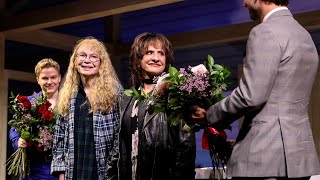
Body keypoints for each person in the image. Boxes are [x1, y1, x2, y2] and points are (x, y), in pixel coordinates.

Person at [189, 0, 320, 179]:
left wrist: (209, 115)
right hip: (299, 158)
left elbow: (251, 95)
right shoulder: (304, 35)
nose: (244, 4)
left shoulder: (264, 31)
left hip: (263, 157)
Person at [106, 32, 196, 180]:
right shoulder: (127, 99)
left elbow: (185, 148)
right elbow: (117, 149)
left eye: (161, 53)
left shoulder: (175, 94)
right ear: (138, 59)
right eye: (149, 52)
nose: (156, 58)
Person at [51, 37, 122, 180]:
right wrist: (61, 172)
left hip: (102, 171)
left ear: (101, 63)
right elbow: (59, 135)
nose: (87, 60)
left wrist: (112, 170)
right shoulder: (68, 93)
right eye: (82, 55)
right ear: (75, 61)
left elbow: (119, 137)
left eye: (94, 57)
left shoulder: (114, 93)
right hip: (74, 171)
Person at [9, 58, 61, 180]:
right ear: (37, 79)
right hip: (33, 169)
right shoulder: (29, 102)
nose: (49, 82)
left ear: (59, 78)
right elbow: (14, 130)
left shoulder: (69, 104)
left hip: (60, 169)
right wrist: (19, 141)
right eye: (45, 78)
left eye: (53, 77)